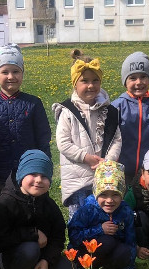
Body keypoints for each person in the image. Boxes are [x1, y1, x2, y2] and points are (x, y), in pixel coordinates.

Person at [0, 150, 74, 269]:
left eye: (44, 176)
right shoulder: (5, 203)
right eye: (33, 174)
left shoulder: (49, 205)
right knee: (31, 249)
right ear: (21, 175)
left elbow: (58, 236)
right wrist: (32, 234)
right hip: (11, 255)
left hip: (42, 255)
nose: (39, 180)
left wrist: (47, 259)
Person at [0, 44, 51, 197]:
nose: (11, 76)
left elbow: (43, 138)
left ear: (22, 74)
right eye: (5, 72)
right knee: (5, 205)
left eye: (16, 71)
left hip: (30, 170)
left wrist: (44, 166)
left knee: (33, 206)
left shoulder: (33, 103)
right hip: (1, 171)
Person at [53, 49, 121, 215]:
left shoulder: (109, 111)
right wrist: (86, 158)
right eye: (84, 81)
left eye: (95, 80)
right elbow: (63, 143)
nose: (91, 85)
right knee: (80, 221)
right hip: (78, 180)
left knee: (104, 219)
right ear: (75, 84)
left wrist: (107, 162)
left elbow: (116, 139)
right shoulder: (67, 111)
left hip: (104, 179)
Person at [68, 160, 136, 269]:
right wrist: (100, 229)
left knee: (124, 251)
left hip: (110, 252)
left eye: (115, 194)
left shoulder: (125, 211)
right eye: (103, 194)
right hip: (86, 253)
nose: (109, 200)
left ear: (122, 194)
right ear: (96, 193)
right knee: (107, 241)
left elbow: (130, 240)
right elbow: (73, 236)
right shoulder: (88, 209)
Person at [111, 52, 149, 185]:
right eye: (132, 78)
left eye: (143, 77)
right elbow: (110, 139)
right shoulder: (117, 106)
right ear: (125, 82)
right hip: (121, 169)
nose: (139, 82)